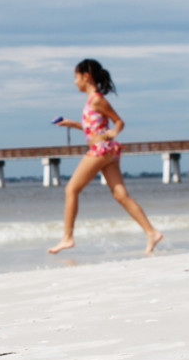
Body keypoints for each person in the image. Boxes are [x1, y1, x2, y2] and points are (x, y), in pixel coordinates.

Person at [48, 59, 163, 254]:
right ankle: (151, 232)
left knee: (71, 189)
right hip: (109, 151)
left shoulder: (98, 100)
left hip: (101, 150)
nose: (75, 82)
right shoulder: (92, 101)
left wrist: (113, 132)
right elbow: (93, 127)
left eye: (76, 77)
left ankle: (67, 237)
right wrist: (71, 123)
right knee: (120, 195)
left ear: (86, 76)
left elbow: (119, 122)